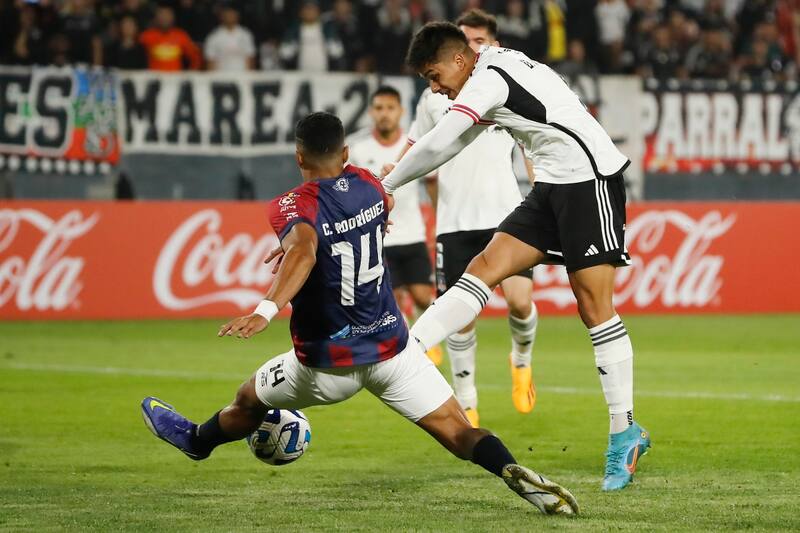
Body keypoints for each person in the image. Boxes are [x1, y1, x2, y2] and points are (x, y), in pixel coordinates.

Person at [140, 112, 579, 517]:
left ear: (298, 157)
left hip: (327, 367)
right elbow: (373, 212)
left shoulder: (291, 205)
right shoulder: (370, 185)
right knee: (461, 432)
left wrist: (265, 308)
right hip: (394, 353)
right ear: (346, 152)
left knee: (248, 400)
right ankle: (516, 474)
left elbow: (305, 251)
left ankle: (197, 441)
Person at [380, 22, 651, 491]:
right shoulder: (490, 68)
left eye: (434, 75)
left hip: (588, 180)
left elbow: (443, 139)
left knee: (594, 307)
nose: (435, 87)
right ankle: (404, 351)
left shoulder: (489, 78)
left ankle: (624, 431)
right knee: (482, 268)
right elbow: (455, 142)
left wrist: (385, 185)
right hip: (551, 184)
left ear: (459, 59)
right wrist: (393, 182)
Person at [396, 9, 539, 428]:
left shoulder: (504, 88)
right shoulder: (433, 99)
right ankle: (468, 402)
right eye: (465, 40)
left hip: (507, 215)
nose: (470, 48)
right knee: (460, 320)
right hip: (454, 221)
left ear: (492, 45)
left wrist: (544, 194)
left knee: (520, 302)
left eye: (478, 41)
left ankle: (522, 359)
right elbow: (416, 147)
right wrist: (388, 181)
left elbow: (531, 147)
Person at [346, 86, 442, 366]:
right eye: (379, 108)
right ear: (371, 112)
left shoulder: (414, 147)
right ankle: (411, 349)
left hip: (413, 233)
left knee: (423, 296)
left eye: (390, 108)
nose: (384, 114)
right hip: (378, 239)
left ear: (400, 112)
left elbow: (431, 182)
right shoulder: (358, 149)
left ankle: (427, 337)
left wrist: (438, 220)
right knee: (394, 298)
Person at [139, 4, 202, 71]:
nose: (165, 18)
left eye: (167, 15)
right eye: (162, 15)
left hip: (176, 76)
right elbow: (135, 54)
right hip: (153, 76)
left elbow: (195, 57)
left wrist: (191, 73)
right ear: (156, 18)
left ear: (173, 17)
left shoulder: (181, 36)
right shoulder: (146, 36)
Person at [204, 4, 255, 71]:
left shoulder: (246, 35)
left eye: (232, 14)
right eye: (227, 14)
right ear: (222, 16)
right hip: (220, 76)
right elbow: (210, 60)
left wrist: (249, 76)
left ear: (237, 16)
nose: (230, 16)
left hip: (242, 75)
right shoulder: (213, 36)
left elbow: (250, 58)